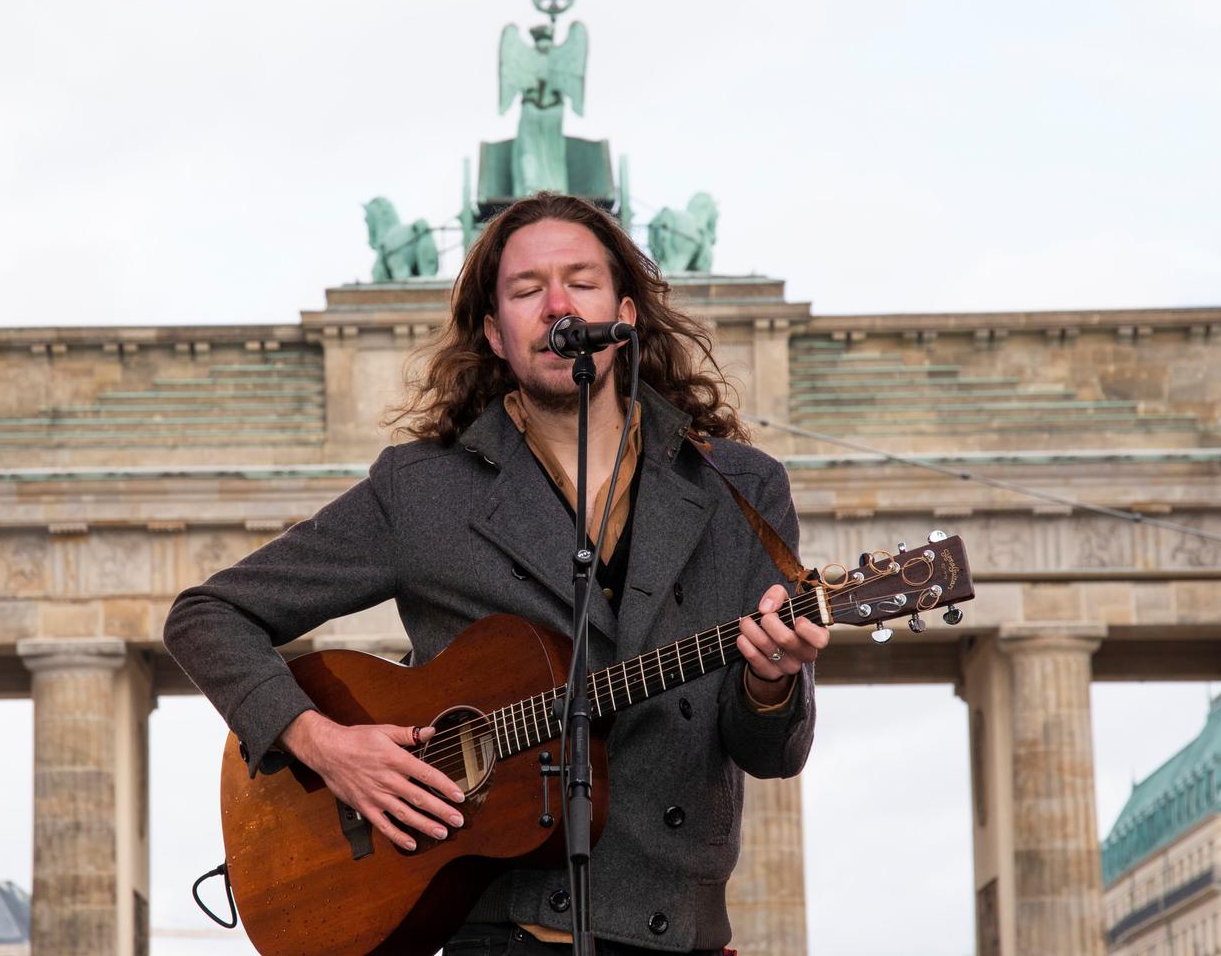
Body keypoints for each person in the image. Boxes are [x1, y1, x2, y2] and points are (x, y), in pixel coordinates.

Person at [162, 191, 827, 955]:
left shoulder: (740, 488)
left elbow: (773, 753)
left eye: (580, 281)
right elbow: (206, 615)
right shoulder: (421, 490)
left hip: (676, 933)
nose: (555, 306)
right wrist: (323, 746)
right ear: (493, 332)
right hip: (496, 935)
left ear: (628, 313)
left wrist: (770, 683)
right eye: (524, 290)